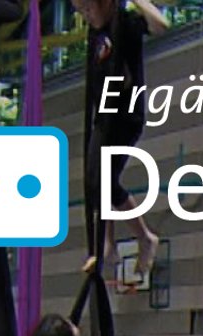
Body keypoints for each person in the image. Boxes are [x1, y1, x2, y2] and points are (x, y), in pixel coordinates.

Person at [76, 0, 168, 289]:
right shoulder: (96, 33)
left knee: (103, 179)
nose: (86, 17)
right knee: (95, 183)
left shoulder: (124, 23)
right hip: (103, 119)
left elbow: (161, 26)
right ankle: (109, 242)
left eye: (89, 10)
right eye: (81, 13)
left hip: (126, 116)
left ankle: (140, 238)